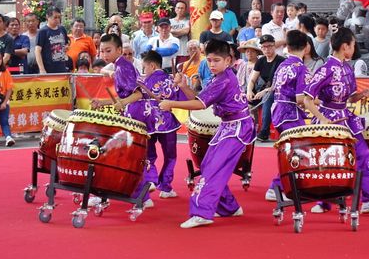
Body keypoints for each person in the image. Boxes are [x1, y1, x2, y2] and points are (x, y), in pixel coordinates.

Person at [158, 39, 255, 228]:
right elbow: (199, 98)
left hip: (237, 127)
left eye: (216, 60)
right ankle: (230, 208)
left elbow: (200, 104)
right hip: (229, 126)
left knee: (213, 168)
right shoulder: (219, 77)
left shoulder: (224, 80)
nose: (211, 64)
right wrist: (184, 85)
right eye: (209, 60)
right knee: (208, 164)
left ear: (228, 61)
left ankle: (202, 212)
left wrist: (171, 104)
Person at [303, 27, 369, 214]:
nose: (354, 48)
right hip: (329, 121)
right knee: (328, 160)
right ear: (344, 46)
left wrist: (362, 95)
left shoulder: (347, 68)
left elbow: (350, 98)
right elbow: (307, 99)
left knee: (363, 155)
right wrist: (322, 119)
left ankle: (367, 198)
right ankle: (323, 201)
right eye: (353, 44)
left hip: (346, 119)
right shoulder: (325, 69)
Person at [91, 34, 155, 208]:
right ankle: (141, 196)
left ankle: (135, 194)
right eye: (101, 51)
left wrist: (123, 104)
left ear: (119, 50)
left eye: (108, 50)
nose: (104, 54)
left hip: (135, 112)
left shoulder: (123, 67)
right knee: (131, 155)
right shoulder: (120, 66)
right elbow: (124, 97)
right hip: (132, 110)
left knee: (127, 154)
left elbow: (138, 94)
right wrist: (103, 102)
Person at [131, 50, 188, 199]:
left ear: (152, 65)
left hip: (147, 122)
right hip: (167, 123)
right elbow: (184, 99)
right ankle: (166, 187)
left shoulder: (141, 82)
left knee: (148, 155)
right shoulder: (171, 80)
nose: (144, 70)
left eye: (145, 67)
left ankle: (150, 181)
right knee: (170, 156)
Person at [266, 30, 310, 201]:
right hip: (290, 114)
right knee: (296, 150)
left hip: (278, 112)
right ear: (306, 47)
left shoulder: (282, 65)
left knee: (291, 150)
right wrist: (317, 103)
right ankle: (277, 187)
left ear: (287, 46)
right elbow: (300, 99)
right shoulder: (301, 68)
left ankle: (282, 185)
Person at [247, 34, 285, 142]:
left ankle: (264, 131)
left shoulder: (281, 61)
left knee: (268, 97)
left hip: (276, 92)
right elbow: (252, 80)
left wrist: (265, 91)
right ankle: (246, 130)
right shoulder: (261, 61)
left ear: (274, 46)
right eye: (264, 47)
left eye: (269, 46)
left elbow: (280, 83)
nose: (266, 49)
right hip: (261, 90)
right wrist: (249, 91)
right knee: (242, 97)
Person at [35, 7, 70, 74]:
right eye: (55, 17)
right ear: (48, 17)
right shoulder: (43, 31)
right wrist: (42, 69)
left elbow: (66, 43)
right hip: (48, 69)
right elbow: (37, 51)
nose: (57, 20)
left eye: (59, 17)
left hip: (62, 67)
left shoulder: (62, 29)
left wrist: (66, 47)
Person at [0, 51, 14, 147]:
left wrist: (5, 102)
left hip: (3, 101)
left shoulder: (5, 72)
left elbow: (9, 89)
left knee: (4, 121)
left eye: (0, 58)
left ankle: (8, 137)